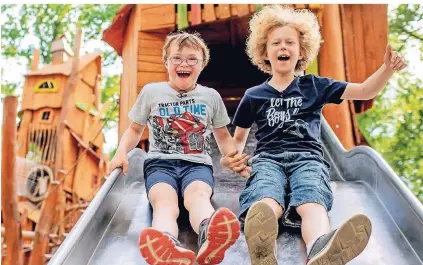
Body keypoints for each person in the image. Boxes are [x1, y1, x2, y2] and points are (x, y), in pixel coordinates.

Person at [221, 5, 407, 265]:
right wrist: (231, 158)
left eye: (290, 42)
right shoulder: (254, 95)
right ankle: (261, 244)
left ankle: (320, 248)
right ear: (264, 51)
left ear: (301, 51)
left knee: (311, 200)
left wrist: (386, 69)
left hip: (308, 159)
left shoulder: (316, 86)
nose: (283, 47)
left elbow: (365, 90)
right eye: (276, 42)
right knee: (265, 197)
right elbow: (238, 140)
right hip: (267, 158)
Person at [109, 31, 249, 265]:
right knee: (164, 201)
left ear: (202, 64)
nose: (184, 63)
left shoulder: (210, 96)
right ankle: (165, 245)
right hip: (159, 164)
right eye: (177, 58)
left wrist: (233, 157)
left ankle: (210, 235)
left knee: (198, 196)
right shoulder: (152, 92)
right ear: (166, 62)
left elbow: (223, 136)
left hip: (197, 165)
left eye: (192, 59)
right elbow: (135, 130)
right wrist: (121, 152)